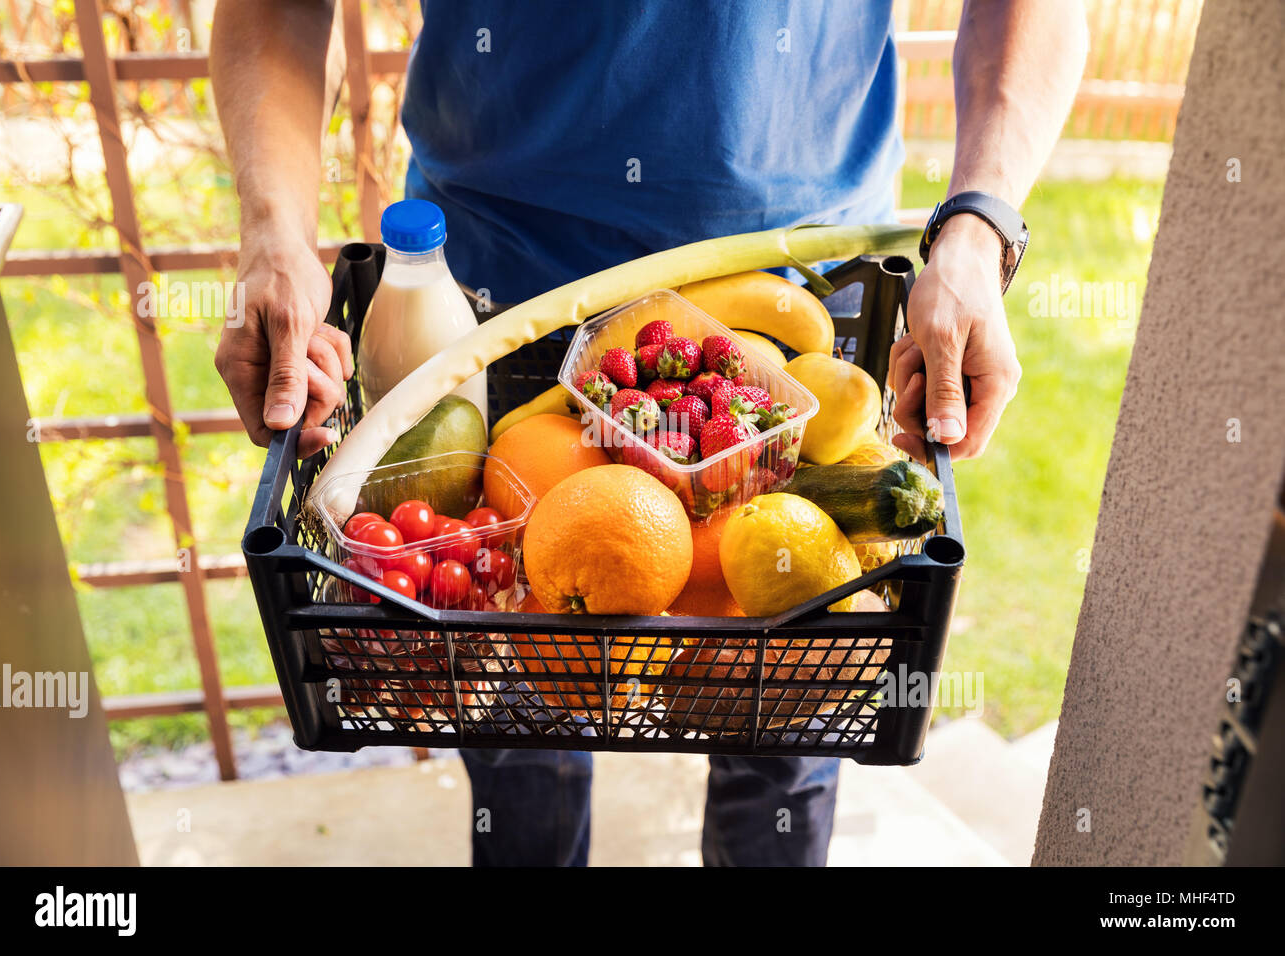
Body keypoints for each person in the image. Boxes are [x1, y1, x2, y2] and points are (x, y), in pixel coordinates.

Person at [211, 0, 1088, 866]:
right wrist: (272, 234)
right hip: (490, 310)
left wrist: (979, 229)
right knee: (519, 720)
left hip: (803, 301)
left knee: (784, 725)